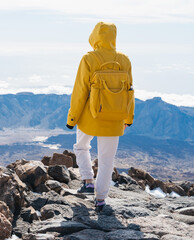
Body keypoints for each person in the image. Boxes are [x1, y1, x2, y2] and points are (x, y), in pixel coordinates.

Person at [66, 22, 135, 212]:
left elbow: (80, 92)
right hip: (115, 119)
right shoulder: (124, 60)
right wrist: (128, 119)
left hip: (90, 118)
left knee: (81, 146)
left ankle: (88, 180)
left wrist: (72, 118)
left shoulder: (89, 59)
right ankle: (101, 199)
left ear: (95, 36)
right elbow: (129, 92)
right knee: (107, 161)